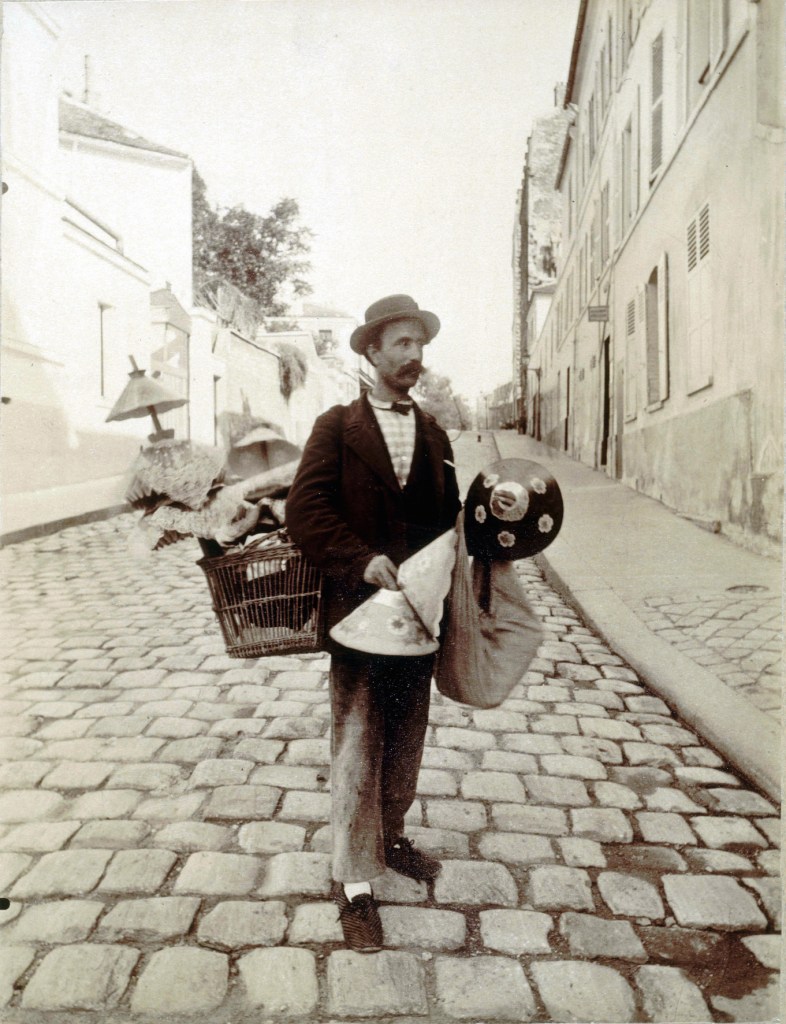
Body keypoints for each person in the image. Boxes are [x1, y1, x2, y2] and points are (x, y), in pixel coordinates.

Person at [285, 294, 461, 952]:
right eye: (402, 345)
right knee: (359, 745)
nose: (414, 357)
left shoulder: (435, 433)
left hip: (417, 621)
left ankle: (389, 836)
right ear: (372, 351)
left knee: (407, 743)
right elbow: (305, 513)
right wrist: (361, 560)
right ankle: (355, 886)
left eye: (420, 344)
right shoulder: (336, 427)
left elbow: (447, 525)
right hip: (359, 619)